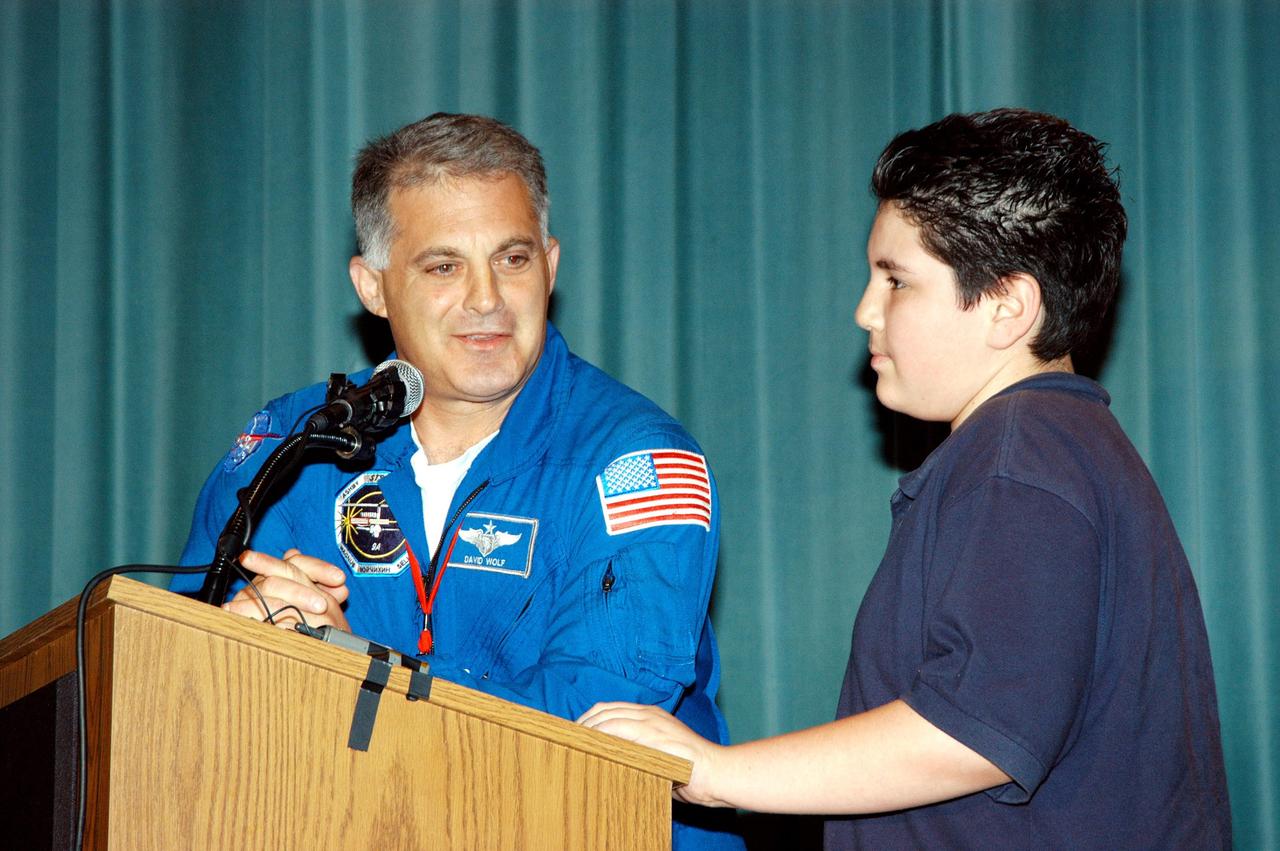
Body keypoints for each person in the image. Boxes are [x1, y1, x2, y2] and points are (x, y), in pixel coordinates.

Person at [580, 108, 1232, 848]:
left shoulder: (1022, 460)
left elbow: (972, 734)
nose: (865, 310)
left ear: (1007, 306)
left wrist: (714, 769)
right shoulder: (1052, 450)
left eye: (896, 281)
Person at [172, 112, 743, 849]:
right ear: (372, 286)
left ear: (552, 264)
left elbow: (598, 729)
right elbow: (177, 681)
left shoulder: (639, 462)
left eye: (512, 260)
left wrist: (355, 668)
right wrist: (236, 647)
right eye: (443, 267)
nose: (485, 300)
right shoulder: (291, 448)